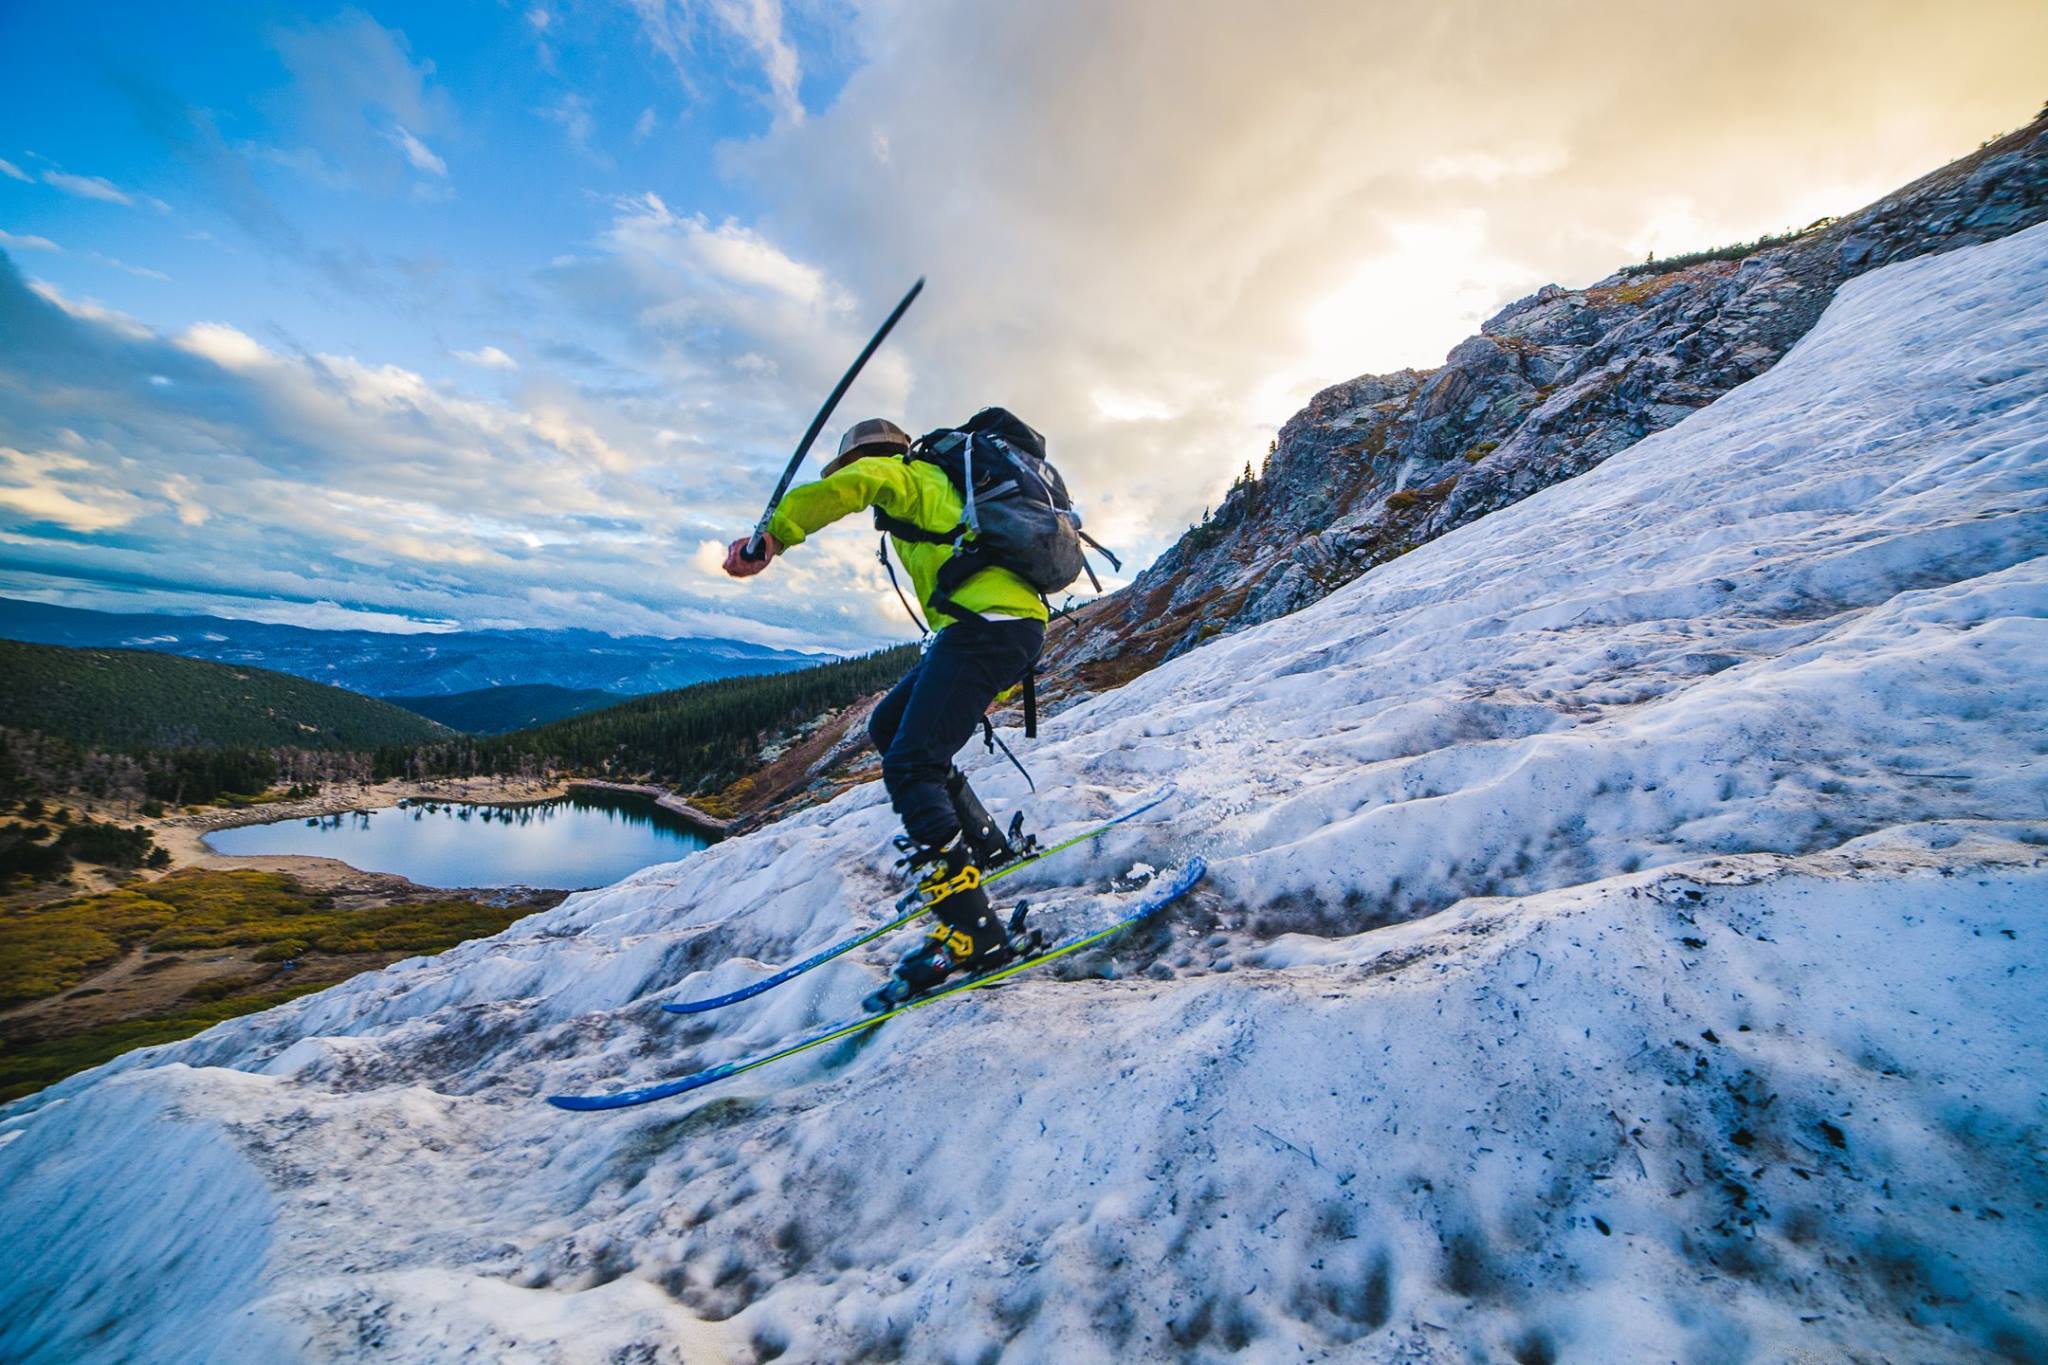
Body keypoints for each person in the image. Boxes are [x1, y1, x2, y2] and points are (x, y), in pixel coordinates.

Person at [723, 416, 1048, 1000]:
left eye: (850, 466)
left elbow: (860, 484)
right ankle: (988, 849)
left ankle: (976, 933)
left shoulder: (904, 474)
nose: (855, 479)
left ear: (864, 458)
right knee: (890, 726)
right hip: (992, 625)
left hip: (988, 627)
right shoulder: (943, 487)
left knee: (911, 766)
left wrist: (772, 536)